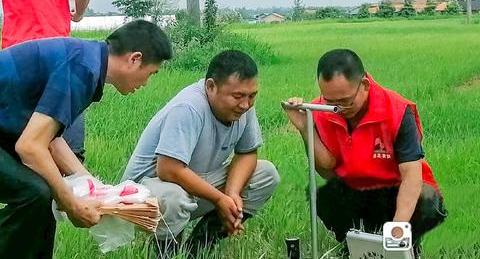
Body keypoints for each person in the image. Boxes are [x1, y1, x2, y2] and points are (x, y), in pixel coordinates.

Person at [0, 19, 172, 259]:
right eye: (151, 73)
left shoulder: (86, 60)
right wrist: (72, 204)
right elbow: (30, 147)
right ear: (134, 59)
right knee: (34, 193)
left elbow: (49, 139)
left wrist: (94, 186)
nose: (146, 83)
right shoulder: (83, 68)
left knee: (46, 191)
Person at [283, 49, 447, 258]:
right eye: (330, 101)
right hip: (358, 189)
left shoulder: (396, 111)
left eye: (345, 101)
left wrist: (396, 234)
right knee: (324, 196)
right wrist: (306, 128)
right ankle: (353, 245)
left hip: (397, 191)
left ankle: (407, 245)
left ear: (365, 86)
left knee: (427, 199)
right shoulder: (321, 109)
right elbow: (326, 169)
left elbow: (411, 177)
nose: (338, 109)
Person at [122, 50, 280, 258]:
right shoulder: (188, 108)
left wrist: (231, 194)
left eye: (252, 96)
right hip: (142, 193)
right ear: (211, 86)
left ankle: (199, 247)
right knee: (174, 197)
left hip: (191, 182)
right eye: (238, 96)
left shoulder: (243, 107)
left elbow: (247, 153)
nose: (245, 104)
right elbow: (168, 169)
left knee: (266, 174)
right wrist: (219, 199)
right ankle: (165, 253)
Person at [0, 0, 91, 159]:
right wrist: (77, 15)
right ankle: (73, 175)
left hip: (14, 57)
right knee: (65, 106)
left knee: (24, 130)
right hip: (55, 53)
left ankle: (27, 182)